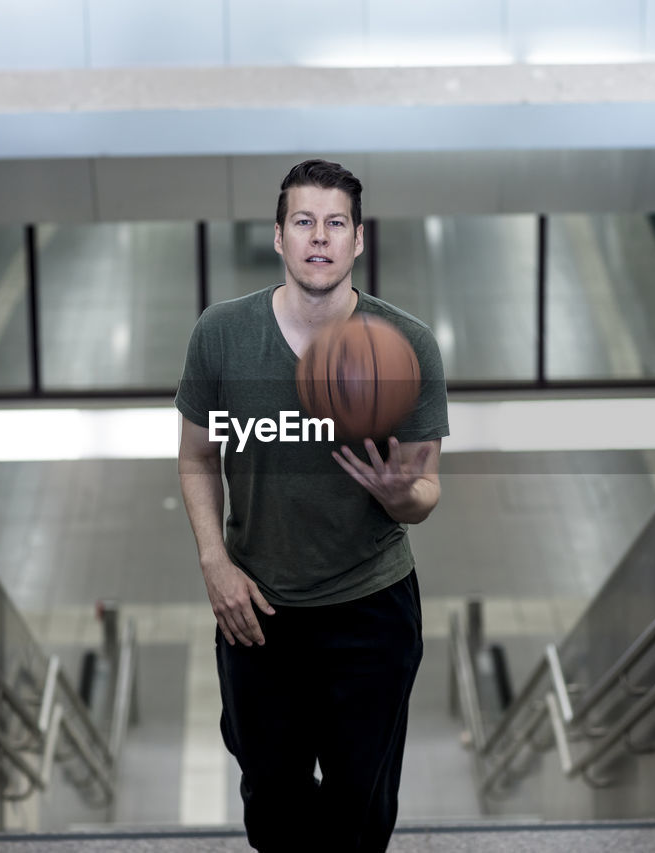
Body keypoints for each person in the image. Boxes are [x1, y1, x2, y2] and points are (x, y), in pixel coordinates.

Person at [175, 158, 449, 852]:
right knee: (273, 806)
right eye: (304, 221)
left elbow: (426, 490)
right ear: (278, 236)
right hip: (257, 615)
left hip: (372, 610)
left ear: (359, 239)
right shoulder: (222, 335)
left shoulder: (406, 344)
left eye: (335, 223)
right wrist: (214, 561)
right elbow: (197, 457)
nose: (319, 237)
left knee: (362, 807)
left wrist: (400, 494)